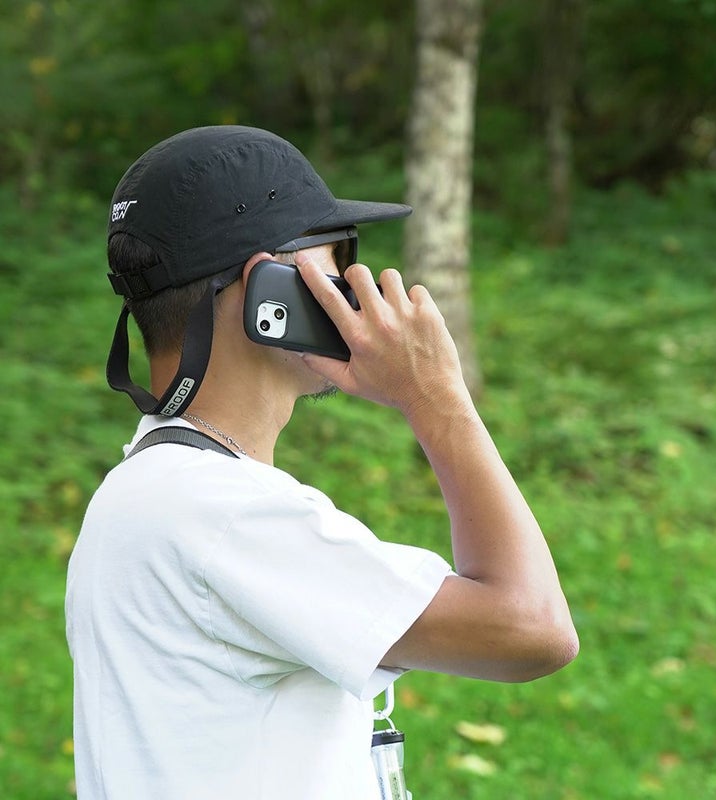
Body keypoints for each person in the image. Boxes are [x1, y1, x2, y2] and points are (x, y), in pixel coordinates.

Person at [65, 125, 578, 799]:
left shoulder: (145, 489)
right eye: (336, 259)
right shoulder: (223, 515)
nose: (354, 288)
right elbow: (533, 629)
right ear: (268, 290)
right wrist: (436, 398)